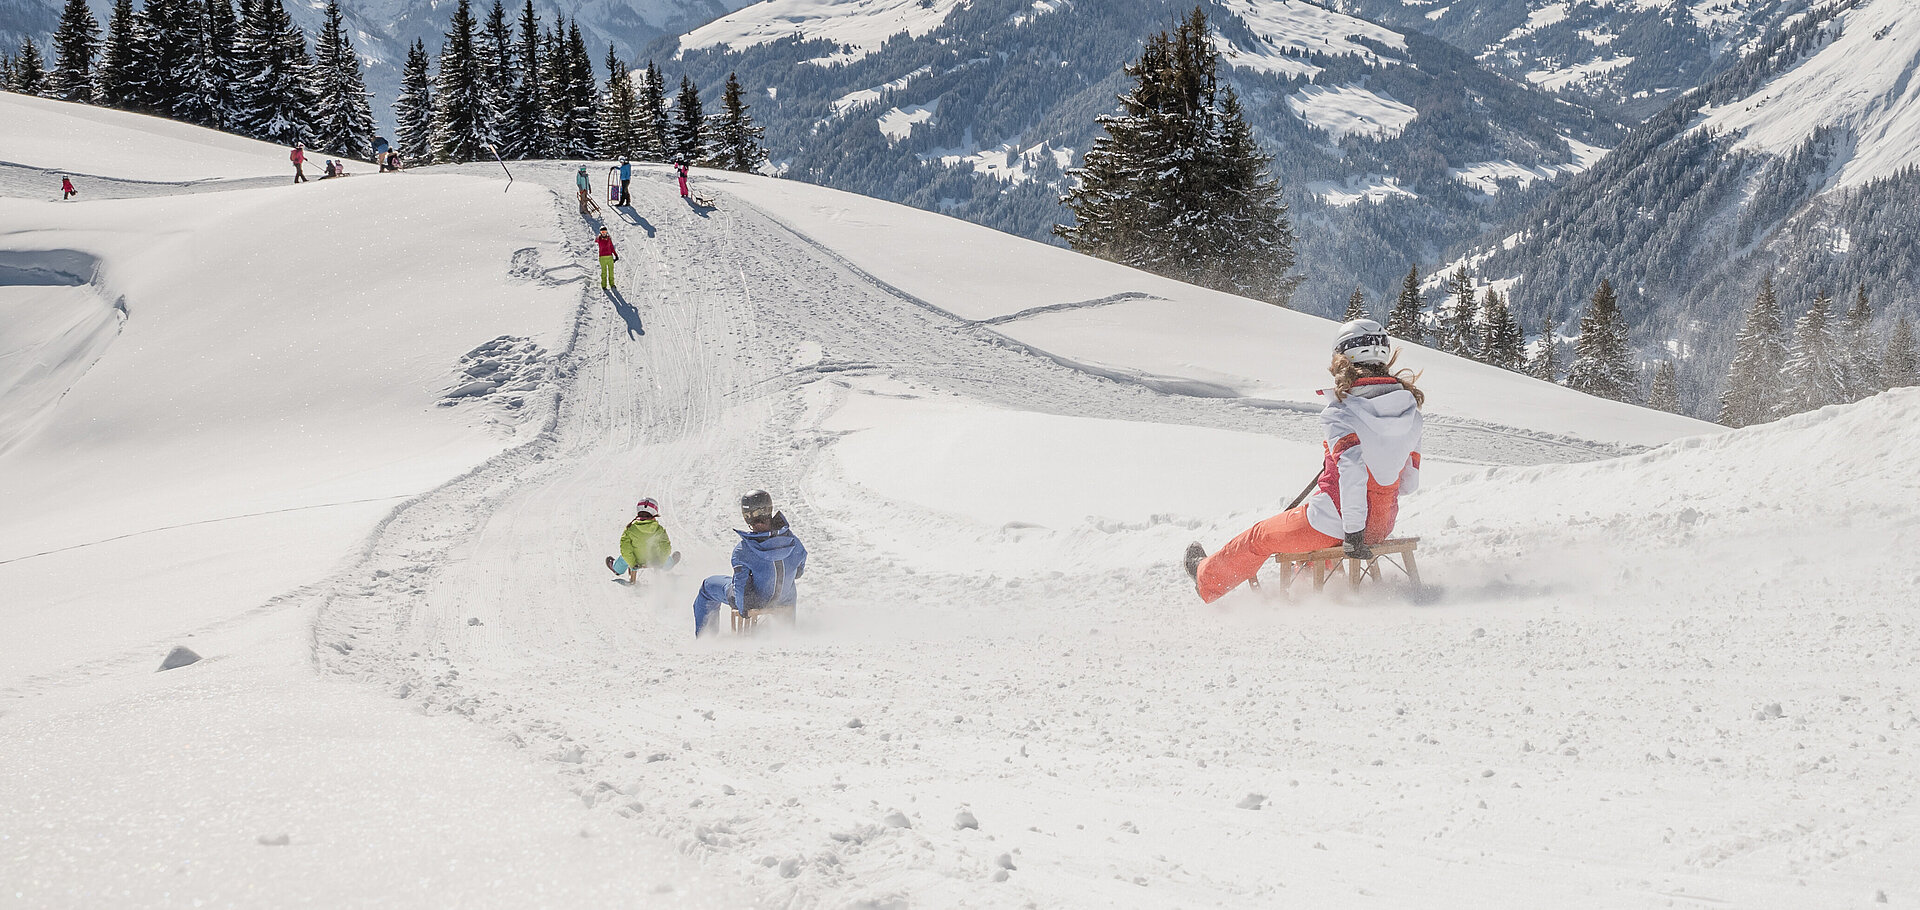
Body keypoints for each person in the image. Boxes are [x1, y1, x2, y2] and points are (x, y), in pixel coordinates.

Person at [1185, 319, 1424, 602]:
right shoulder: (1410, 410)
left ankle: (1206, 578)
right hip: (1382, 524)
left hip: (1343, 525)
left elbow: (1353, 471)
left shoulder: (1341, 412)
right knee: (1309, 531)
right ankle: (1317, 586)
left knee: (1260, 537)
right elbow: (1408, 483)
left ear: (1343, 356)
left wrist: (1353, 533)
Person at [693, 490, 808, 636]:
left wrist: (743, 609)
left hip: (755, 601)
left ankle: (706, 639)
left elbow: (740, 586)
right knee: (788, 581)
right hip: (785, 600)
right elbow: (799, 573)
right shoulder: (794, 542)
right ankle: (783, 629)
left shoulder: (743, 550)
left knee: (707, 586)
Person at [606, 498, 674, 583]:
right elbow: (665, 548)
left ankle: (616, 569)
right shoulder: (659, 530)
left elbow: (625, 549)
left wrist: (632, 563)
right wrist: (660, 561)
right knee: (666, 557)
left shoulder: (630, 529)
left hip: (636, 560)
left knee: (624, 558)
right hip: (653, 560)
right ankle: (670, 564)